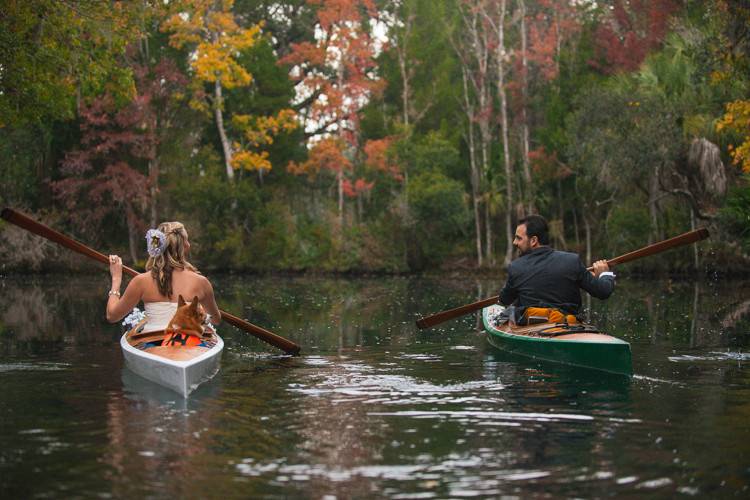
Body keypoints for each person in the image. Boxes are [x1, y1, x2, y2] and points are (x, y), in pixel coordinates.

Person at [105, 222, 221, 333]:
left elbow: (112, 316)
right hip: (189, 345)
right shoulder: (201, 282)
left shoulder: (140, 281)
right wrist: (198, 309)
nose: (189, 244)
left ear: (156, 246)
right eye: (187, 240)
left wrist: (116, 279)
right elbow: (216, 320)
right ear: (184, 247)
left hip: (152, 344)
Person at [499, 214, 615, 325]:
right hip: (570, 326)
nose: (515, 242)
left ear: (533, 241)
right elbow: (603, 292)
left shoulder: (516, 267)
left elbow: (504, 300)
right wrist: (604, 273)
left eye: (518, 238)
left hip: (533, 326)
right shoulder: (572, 261)